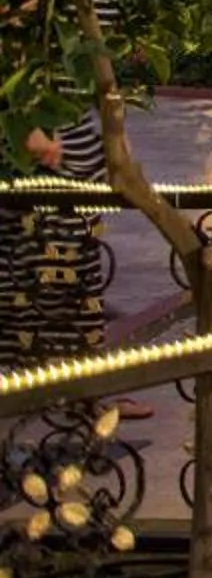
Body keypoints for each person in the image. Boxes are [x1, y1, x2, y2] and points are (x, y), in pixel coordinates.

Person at [4, 111, 151, 416]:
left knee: (78, 276)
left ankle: (84, 394)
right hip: (37, 169)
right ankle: (68, 393)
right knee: (30, 276)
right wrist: (26, 126)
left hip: (68, 158)